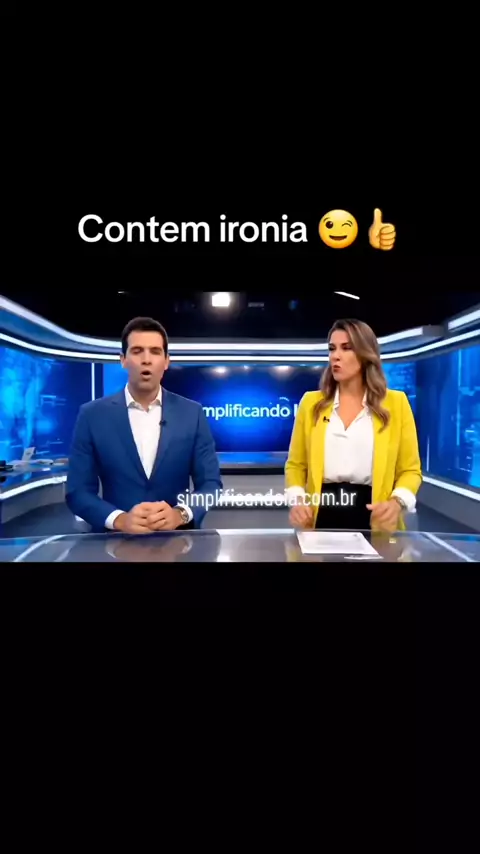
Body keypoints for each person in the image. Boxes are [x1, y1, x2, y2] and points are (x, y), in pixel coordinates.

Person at [66, 317, 222, 533]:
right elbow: (77, 492)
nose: (146, 360)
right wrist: (120, 520)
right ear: (123, 360)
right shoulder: (92, 415)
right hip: (114, 542)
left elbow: (211, 485)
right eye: (137, 351)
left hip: (178, 541)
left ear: (166, 361)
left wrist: (180, 514)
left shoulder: (192, 413)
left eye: (155, 352)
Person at [285, 318, 422, 533]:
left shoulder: (396, 404)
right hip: (321, 513)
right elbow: (296, 465)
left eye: (346, 348)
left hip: (373, 514)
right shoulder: (311, 403)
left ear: (365, 354)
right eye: (332, 349)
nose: (335, 356)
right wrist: (297, 500)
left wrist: (396, 502)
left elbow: (410, 470)